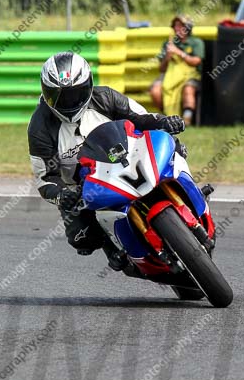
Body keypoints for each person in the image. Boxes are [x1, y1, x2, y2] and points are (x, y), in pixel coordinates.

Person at [28, 52, 185, 271]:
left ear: (89, 85)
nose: (69, 102)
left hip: (128, 159)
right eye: (60, 96)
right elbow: (45, 178)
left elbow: (141, 118)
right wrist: (62, 195)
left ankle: (189, 196)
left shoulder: (106, 97)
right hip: (85, 187)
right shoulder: (40, 127)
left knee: (174, 147)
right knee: (82, 237)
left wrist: (165, 122)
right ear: (46, 93)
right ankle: (116, 249)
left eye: (75, 94)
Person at [150, 14, 205, 126]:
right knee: (155, 90)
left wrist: (179, 53)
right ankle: (167, 117)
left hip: (190, 74)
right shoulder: (168, 43)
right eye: (175, 25)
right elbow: (162, 69)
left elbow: (196, 61)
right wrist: (167, 57)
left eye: (181, 25)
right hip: (170, 74)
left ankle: (187, 119)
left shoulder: (196, 42)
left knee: (188, 89)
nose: (177, 28)